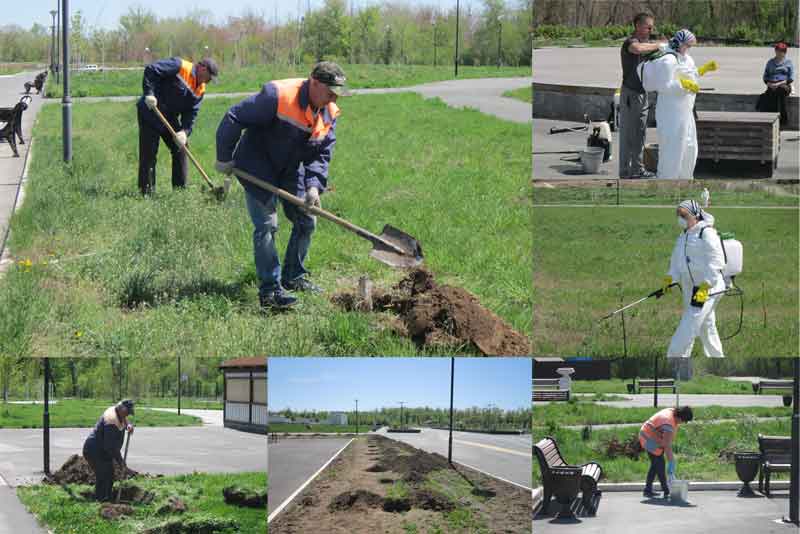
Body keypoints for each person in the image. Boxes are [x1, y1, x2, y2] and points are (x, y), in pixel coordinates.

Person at [215, 62, 345, 311]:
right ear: (314, 83)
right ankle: (270, 291)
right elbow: (235, 116)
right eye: (330, 92)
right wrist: (224, 158)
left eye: (337, 93)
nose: (334, 98)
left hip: (289, 168)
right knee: (267, 226)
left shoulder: (329, 111)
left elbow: (320, 154)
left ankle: (293, 276)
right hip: (256, 165)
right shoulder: (278, 95)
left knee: (307, 220)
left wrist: (314, 186)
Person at [638, 29, 716, 179]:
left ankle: (685, 181)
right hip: (670, 113)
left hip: (686, 112)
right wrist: (683, 85)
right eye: (687, 45)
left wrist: (702, 70)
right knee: (672, 150)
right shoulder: (667, 60)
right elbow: (664, 86)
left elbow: (689, 74)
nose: (689, 48)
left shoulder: (687, 58)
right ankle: (667, 182)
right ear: (680, 43)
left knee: (690, 148)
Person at [137, 56, 218, 195]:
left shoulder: (201, 89)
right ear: (202, 69)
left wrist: (185, 132)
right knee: (149, 152)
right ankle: (147, 192)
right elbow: (151, 70)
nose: (209, 81)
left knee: (181, 147)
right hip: (151, 110)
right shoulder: (179, 66)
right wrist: (149, 94)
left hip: (169, 117)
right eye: (209, 77)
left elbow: (191, 112)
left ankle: (180, 190)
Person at [662, 200, 726, 360]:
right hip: (691, 287)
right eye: (678, 215)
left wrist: (705, 286)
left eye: (683, 215)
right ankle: (717, 359)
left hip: (708, 288)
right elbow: (676, 262)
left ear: (695, 215)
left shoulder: (706, 233)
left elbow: (717, 261)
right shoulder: (683, 236)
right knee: (706, 325)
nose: (680, 218)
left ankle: (674, 358)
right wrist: (668, 281)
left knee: (689, 323)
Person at [618, 12, 664, 179]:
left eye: (652, 27)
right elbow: (637, 49)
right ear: (638, 26)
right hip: (631, 94)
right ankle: (625, 172)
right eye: (648, 27)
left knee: (640, 133)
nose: (651, 30)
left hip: (642, 93)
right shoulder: (631, 43)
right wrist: (658, 45)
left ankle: (637, 169)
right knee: (629, 134)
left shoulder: (647, 44)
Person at [82, 400, 135, 502]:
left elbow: (124, 419)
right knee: (103, 475)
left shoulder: (118, 412)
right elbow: (111, 447)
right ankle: (100, 500)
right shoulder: (111, 420)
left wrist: (128, 425)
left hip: (103, 451)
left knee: (110, 474)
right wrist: (121, 462)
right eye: (127, 412)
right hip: (94, 451)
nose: (127, 415)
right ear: (121, 410)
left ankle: (106, 498)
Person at [639, 406, 693, 498]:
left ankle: (648, 490)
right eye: (684, 421)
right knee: (660, 465)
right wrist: (671, 463)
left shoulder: (672, 412)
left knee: (655, 464)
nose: (683, 423)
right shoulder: (668, 423)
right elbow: (667, 446)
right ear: (680, 418)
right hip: (648, 439)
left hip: (650, 434)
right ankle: (666, 490)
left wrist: (671, 459)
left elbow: (666, 443)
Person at [756, 42, 794, 127]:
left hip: (784, 85)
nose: (779, 53)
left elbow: (790, 78)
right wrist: (770, 84)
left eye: (781, 51)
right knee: (772, 93)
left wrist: (778, 84)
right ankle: (778, 120)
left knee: (778, 92)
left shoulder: (788, 63)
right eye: (777, 50)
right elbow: (765, 77)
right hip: (772, 85)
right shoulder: (770, 62)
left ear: (785, 52)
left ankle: (778, 119)